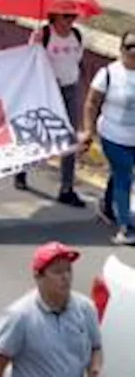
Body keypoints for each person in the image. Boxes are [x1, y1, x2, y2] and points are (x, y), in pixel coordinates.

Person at [0, 242, 101, 377]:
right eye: (57, 271)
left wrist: (94, 367)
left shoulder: (86, 308)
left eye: (68, 269)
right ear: (38, 276)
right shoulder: (19, 316)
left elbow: (96, 347)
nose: (65, 277)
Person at [15, 12, 87, 206]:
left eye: (73, 16)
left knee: (69, 137)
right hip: (45, 88)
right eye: (66, 16)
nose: (70, 21)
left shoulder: (77, 36)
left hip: (69, 89)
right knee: (36, 134)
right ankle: (21, 168)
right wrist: (36, 43)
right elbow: (30, 60)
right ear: (54, 17)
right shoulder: (44, 35)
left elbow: (78, 61)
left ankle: (66, 188)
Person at [78, 31, 135, 244]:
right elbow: (92, 103)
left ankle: (107, 205)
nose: (134, 51)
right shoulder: (109, 73)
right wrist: (88, 130)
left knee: (121, 174)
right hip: (113, 135)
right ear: (121, 49)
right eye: (130, 46)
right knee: (124, 176)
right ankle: (125, 227)